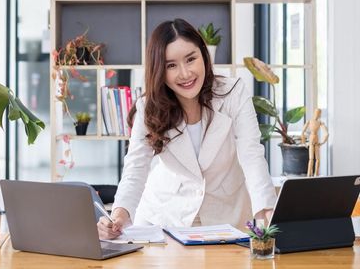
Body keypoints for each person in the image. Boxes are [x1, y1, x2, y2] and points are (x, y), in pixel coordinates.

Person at [97, 18, 277, 240]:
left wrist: (265, 209)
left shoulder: (233, 93)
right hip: (165, 218)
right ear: (159, 70)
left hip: (226, 220)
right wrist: (119, 215)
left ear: (204, 55)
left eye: (191, 59)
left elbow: (251, 154)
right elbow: (136, 166)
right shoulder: (148, 107)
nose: (185, 73)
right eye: (171, 65)